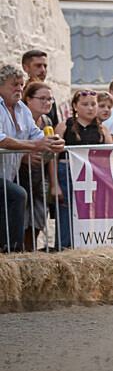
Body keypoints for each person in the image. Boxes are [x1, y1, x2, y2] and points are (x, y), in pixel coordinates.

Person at [0, 65, 64, 252]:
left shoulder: (22, 109)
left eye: (21, 85)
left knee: (9, 205)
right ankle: (14, 250)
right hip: (4, 177)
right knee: (18, 195)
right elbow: (1, 139)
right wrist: (34, 146)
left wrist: (53, 142)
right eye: (15, 85)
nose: (20, 89)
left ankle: (7, 250)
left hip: (6, 175)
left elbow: (35, 134)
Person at [54, 90, 112, 249]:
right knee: (66, 215)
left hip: (94, 179)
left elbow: (111, 158)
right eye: (85, 104)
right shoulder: (63, 127)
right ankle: (63, 250)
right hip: (66, 176)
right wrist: (54, 184)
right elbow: (53, 158)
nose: (90, 108)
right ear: (75, 106)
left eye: (94, 104)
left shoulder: (103, 130)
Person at [18, 82, 58, 250]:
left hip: (40, 178)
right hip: (20, 176)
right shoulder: (18, 117)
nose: (47, 103)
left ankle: (31, 251)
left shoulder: (47, 121)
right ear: (28, 99)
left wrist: (54, 184)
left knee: (37, 220)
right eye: (42, 98)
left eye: (49, 99)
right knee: (20, 220)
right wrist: (23, 156)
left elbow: (52, 155)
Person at [22, 50, 59, 127]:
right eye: (38, 66)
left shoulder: (49, 95)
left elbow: (54, 124)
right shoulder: (17, 96)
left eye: (45, 66)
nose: (43, 70)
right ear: (25, 68)